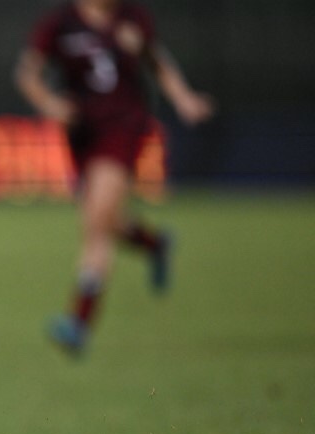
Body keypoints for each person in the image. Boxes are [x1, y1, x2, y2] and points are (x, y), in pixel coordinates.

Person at [14, 0, 214, 354]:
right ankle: (155, 244)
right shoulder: (61, 23)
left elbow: (156, 61)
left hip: (124, 127)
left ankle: (78, 322)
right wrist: (49, 103)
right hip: (82, 133)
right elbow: (27, 73)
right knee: (107, 219)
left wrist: (183, 98)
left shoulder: (132, 18)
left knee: (95, 224)